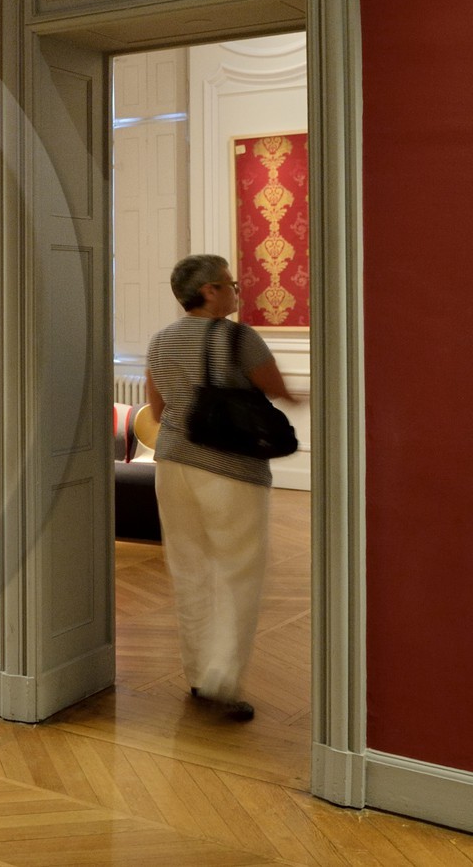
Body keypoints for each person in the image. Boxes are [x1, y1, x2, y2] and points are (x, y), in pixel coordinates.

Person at [144, 254, 296, 721]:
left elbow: (155, 405)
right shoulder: (238, 338)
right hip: (231, 470)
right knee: (237, 574)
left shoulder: (161, 340)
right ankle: (221, 682)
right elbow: (275, 389)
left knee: (189, 570)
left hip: (172, 464)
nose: (235, 292)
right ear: (209, 291)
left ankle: (197, 677)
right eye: (230, 284)